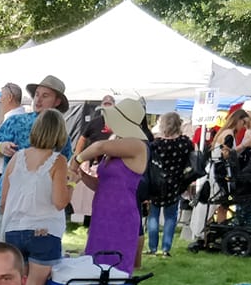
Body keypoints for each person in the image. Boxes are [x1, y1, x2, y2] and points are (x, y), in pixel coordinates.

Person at [71, 96, 150, 274]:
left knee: (116, 271)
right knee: (95, 268)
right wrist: (81, 175)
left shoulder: (138, 145)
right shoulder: (117, 141)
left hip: (121, 217)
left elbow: (99, 147)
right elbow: (102, 185)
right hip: (102, 214)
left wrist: (77, 160)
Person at [0, 109, 70, 285]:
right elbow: (59, 202)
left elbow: (4, 202)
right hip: (44, 231)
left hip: (13, 229)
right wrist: (71, 184)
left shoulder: (16, 158)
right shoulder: (59, 161)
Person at [0, 75, 72, 200]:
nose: (38, 100)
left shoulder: (61, 134)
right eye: (37, 95)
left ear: (57, 101)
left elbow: (64, 168)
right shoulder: (16, 122)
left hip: (41, 202)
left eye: (45, 96)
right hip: (10, 198)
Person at [145, 111, 194, 257]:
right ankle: (166, 249)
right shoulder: (185, 143)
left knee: (153, 215)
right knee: (171, 217)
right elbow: (191, 161)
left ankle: (152, 248)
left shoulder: (156, 144)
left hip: (156, 183)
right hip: (175, 183)